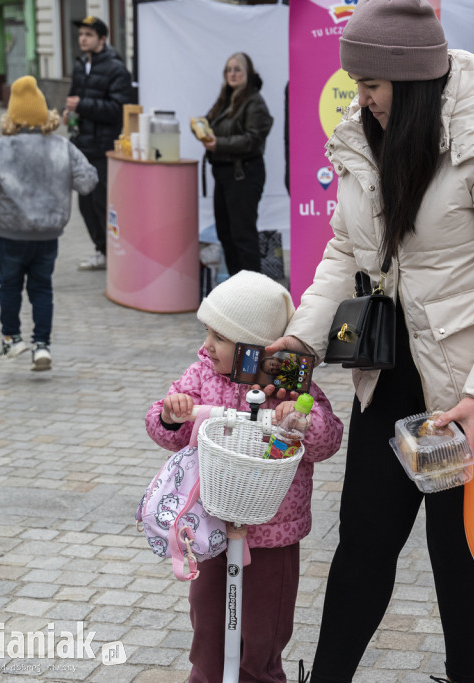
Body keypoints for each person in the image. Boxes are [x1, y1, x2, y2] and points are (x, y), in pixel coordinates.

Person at [264, 1, 474, 680]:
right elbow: (347, 253)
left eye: (371, 84)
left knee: (457, 540)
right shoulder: (366, 134)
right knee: (366, 533)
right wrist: (300, 341)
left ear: (412, 78)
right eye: (357, 82)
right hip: (395, 362)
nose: (360, 96)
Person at [144, 270, 343, 683]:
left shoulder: (288, 382)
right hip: (211, 525)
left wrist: (302, 422)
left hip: (274, 531)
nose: (206, 345)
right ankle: (206, 676)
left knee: (262, 631)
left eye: (218, 337)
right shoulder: (201, 375)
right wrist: (171, 413)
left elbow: (328, 440)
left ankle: (262, 675)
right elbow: (163, 427)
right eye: (206, 333)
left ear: (251, 346)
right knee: (208, 626)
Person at [0, 76, 98, 371]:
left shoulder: (0, 148)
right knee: (42, 288)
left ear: (13, 115)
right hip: (48, 234)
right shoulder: (62, 147)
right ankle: (42, 345)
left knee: (9, 286)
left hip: (12, 234)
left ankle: (11, 338)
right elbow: (87, 181)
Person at [64, 15, 133, 271]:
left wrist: (83, 106)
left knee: (103, 204)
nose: (83, 39)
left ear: (102, 39)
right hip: (82, 145)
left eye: (89, 35)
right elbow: (74, 97)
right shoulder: (81, 65)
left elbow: (119, 109)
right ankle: (100, 250)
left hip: (104, 148)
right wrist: (68, 111)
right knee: (85, 203)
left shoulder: (116, 69)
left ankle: (112, 253)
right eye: (81, 34)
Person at [202, 52, 273, 276]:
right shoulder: (226, 98)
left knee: (242, 234)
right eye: (229, 70)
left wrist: (218, 144)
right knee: (226, 233)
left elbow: (253, 139)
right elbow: (217, 126)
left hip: (244, 174)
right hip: (224, 174)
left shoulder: (254, 101)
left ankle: (252, 291)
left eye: (237, 69)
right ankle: (236, 287)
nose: (232, 74)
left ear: (248, 73)